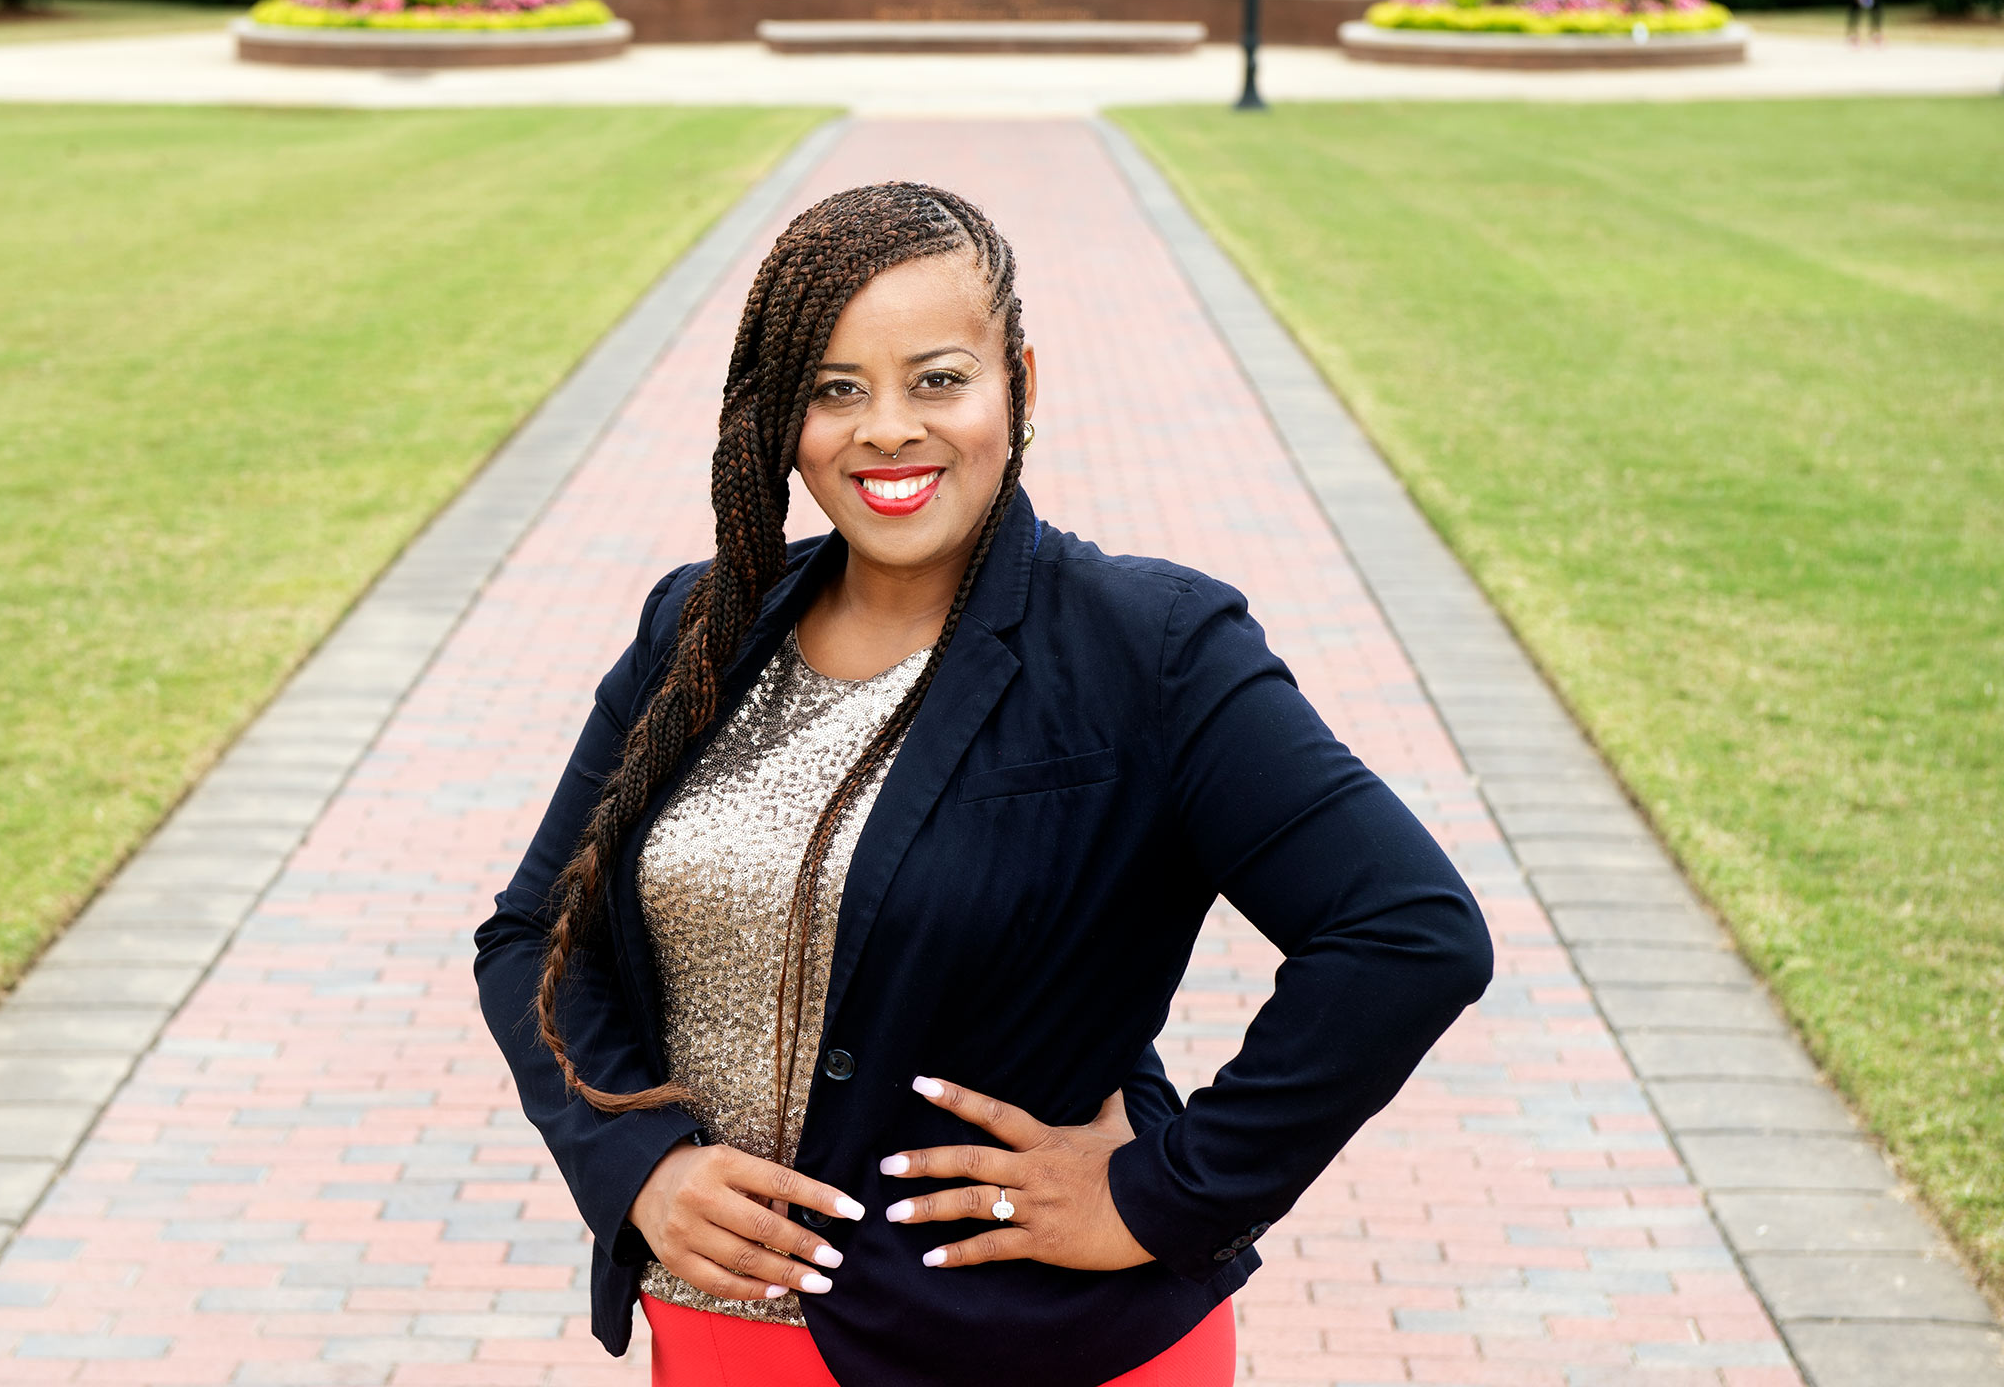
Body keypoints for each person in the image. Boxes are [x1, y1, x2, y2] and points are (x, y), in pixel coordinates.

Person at [473, 182, 1494, 1387]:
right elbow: (537, 928)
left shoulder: (1149, 645)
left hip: (1032, 1344)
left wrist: (1163, 1194)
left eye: (938, 379)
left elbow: (1406, 931)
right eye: (833, 390)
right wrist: (634, 1159)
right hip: (714, 1338)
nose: (886, 429)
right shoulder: (698, 627)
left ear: (1019, 380)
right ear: (776, 419)